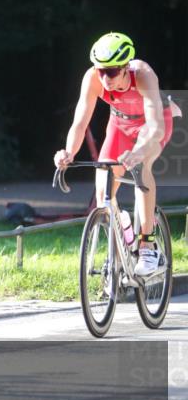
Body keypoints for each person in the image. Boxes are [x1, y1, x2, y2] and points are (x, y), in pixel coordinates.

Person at [55, 32, 178, 276]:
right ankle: (124, 234)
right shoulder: (92, 78)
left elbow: (155, 127)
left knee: (140, 167)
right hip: (120, 125)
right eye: (101, 70)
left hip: (152, 125)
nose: (105, 78)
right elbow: (80, 123)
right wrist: (68, 152)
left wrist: (138, 151)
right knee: (103, 191)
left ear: (124, 68)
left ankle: (147, 246)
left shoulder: (143, 74)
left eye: (111, 72)